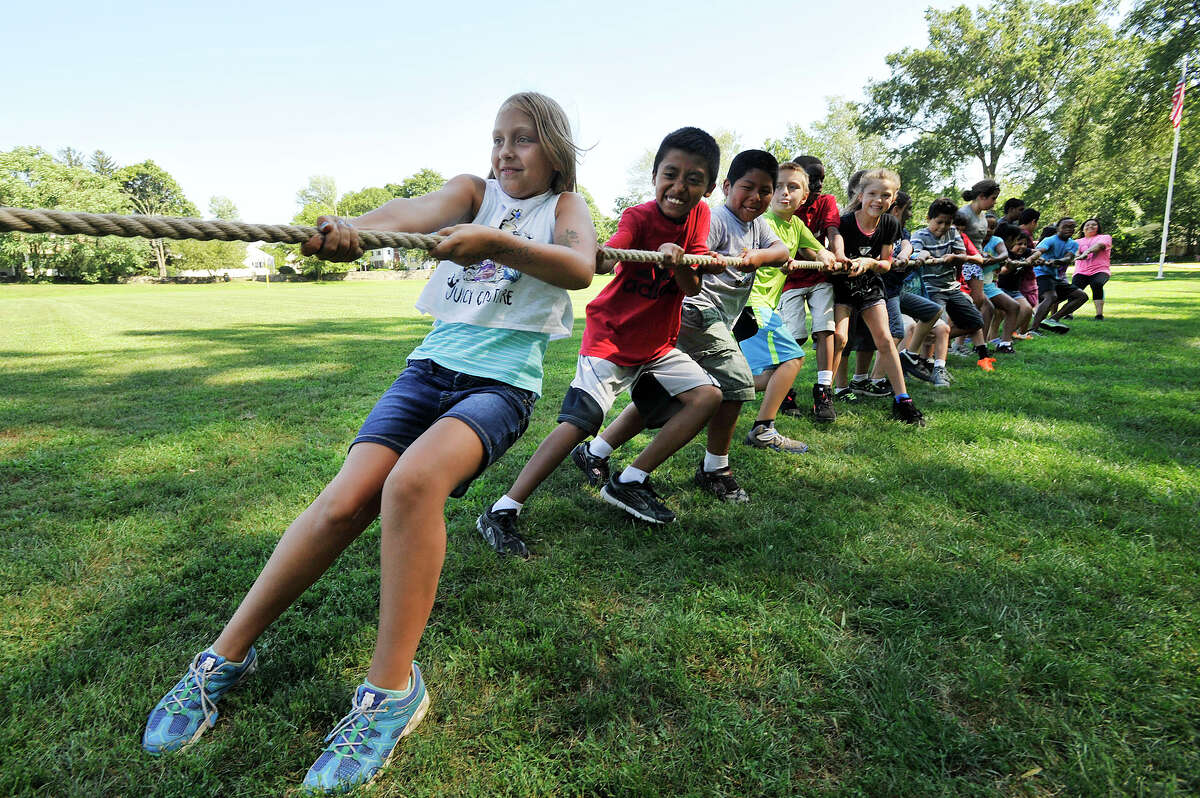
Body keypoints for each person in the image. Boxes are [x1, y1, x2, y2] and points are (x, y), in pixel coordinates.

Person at [141, 93, 598, 794]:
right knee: (342, 502)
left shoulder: (564, 206)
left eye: (525, 139)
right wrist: (354, 225)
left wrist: (500, 246)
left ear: (556, 149)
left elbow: (577, 266)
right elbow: (413, 210)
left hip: (500, 384)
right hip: (427, 371)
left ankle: (391, 692)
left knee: (412, 485)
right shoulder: (473, 194)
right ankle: (223, 658)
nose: (507, 151)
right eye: (499, 138)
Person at [476, 127, 724, 548]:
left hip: (658, 344)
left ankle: (631, 479)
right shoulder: (637, 217)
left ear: (709, 186)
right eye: (670, 173)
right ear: (654, 176)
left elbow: (692, 285)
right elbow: (606, 261)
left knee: (707, 396)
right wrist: (598, 253)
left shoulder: (701, 217)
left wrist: (679, 260)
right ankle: (503, 507)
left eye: (693, 179)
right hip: (611, 338)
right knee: (580, 423)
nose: (679, 187)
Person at [593, 150, 791, 503]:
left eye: (765, 191)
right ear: (727, 186)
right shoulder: (715, 219)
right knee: (737, 382)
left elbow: (781, 249)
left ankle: (596, 451)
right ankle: (715, 468)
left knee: (668, 393)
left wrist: (758, 257)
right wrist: (708, 262)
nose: (757, 197)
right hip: (697, 312)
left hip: (713, 319)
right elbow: (689, 263)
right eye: (748, 187)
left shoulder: (757, 225)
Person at [746, 161, 836, 437]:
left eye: (793, 187)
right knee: (793, 359)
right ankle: (763, 428)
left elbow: (820, 251)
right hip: (754, 304)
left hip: (764, 305)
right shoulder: (761, 221)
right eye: (778, 187)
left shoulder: (796, 225)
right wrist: (778, 259)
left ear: (804, 197)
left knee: (768, 375)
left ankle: (705, 388)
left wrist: (827, 257)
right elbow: (751, 254)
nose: (785, 193)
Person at [828, 168, 925, 425]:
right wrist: (845, 261)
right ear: (861, 195)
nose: (878, 200)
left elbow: (886, 263)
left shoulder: (890, 224)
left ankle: (903, 398)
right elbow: (833, 250)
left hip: (871, 286)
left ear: (893, 200)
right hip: (843, 288)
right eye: (872, 193)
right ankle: (826, 393)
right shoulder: (845, 222)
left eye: (885, 195)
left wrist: (869, 262)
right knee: (840, 338)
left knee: (885, 338)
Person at [777, 155, 850, 419]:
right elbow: (796, 243)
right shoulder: (787, 205)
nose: (819, 183)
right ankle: (785, 391)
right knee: (793, 336)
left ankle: (823, 390)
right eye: (812, 178)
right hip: (791, 279)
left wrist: (837, 255)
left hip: (820, 277)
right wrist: (818, 256)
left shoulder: (826, 201)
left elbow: (833, 231)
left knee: (825, 329)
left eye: (821, 178)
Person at [910, 198, 995, 372]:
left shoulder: (953, 233)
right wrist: (926, 256)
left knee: (975, 321)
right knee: (937, 326)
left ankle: (984, 357)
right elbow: (916, 254)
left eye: (947, 223)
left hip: (952, 287)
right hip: (931, 288)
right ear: (928, 218)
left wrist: (955, 258)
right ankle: (926, 360)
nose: (942, 227)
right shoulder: (919, 235)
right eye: (939, 222)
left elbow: (963, 255)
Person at [1031, 217, 1089, 333]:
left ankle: (1052, 319)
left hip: (1055, 277)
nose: (1069, 229)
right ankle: (1033, 329)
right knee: (1051, 297)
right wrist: (1040, 258)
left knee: (1081, 296)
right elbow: (1039, 251)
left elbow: (1068, 258)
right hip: (1040, 274)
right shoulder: (1049, 240)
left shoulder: (1073, 243)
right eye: (1066, 226)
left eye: (1072, 227)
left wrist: (1057, 261)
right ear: (1058, 228)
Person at [1072, 217, 1113, 319]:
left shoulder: (1105, 237)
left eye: (1094, 225)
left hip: (1100, 270)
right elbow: (1075, 252)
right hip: (1081, 271)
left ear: (1098, 228)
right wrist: (1077, 255)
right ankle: (1068, 314)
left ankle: (1099, 314)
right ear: (1082, 229)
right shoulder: (1077, 241)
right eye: (1087, 225)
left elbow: (1099, 246)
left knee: (1097, 284)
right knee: (1074, 290)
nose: (1090, 226)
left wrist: (1086, 252)